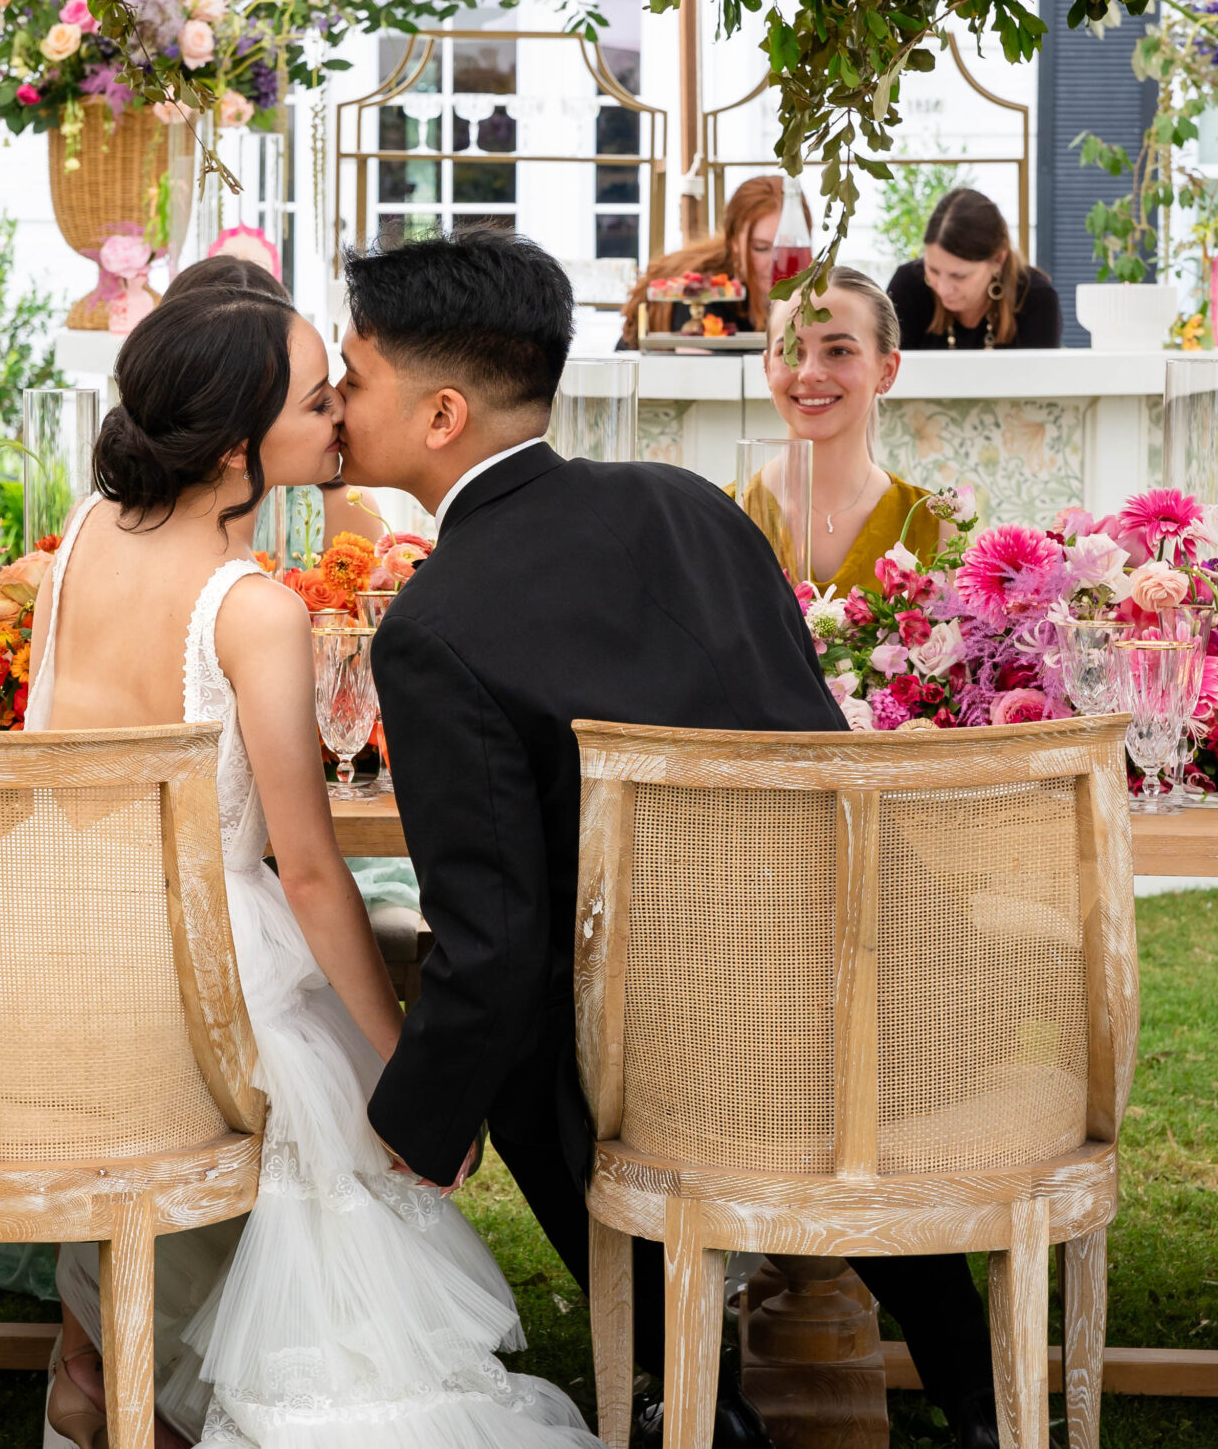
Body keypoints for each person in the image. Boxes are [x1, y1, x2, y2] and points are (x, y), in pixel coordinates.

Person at [338, 229, 1001, 1449]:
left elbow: (491, 942)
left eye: (352, 374)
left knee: (532, 1038)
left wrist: (413, 1133)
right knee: (715, 1003)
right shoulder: (688, 506)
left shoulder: (431, 630)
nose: (334, 399)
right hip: (859, 1000)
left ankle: (672, 1390)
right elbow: (815, 751)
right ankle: (976, 1395)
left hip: (647, 1072)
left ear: (438, 415)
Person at [26, 277, 600, 1449]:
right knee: (336, 1118)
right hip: (196, 970)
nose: (340, 412)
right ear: (243, 443)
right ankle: (241, 1391)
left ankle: (98, 1363)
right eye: (316, 396)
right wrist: (402, 1073)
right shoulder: (249, 609)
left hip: (61, 947)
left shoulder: (88, 530)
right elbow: (310, 874)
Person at [741, 264, 946, 591]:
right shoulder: (718, 516)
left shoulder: (935, 527)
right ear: (767, 368)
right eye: (791, 350)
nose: (809, 373)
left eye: (838, 351)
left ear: (887, 370)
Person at [621, 173, 808, 344]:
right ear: (734, 245)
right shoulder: (704, 296)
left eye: (789, 249)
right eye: (761, 248)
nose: (778, 264)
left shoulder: (820, 294)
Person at [890, 187, 1061, 351]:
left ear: (998, 260)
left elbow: (1040, 379)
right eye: (933, 270)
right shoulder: (908, 286)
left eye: (959, 276)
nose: (942, 289)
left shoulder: (1036, 299)